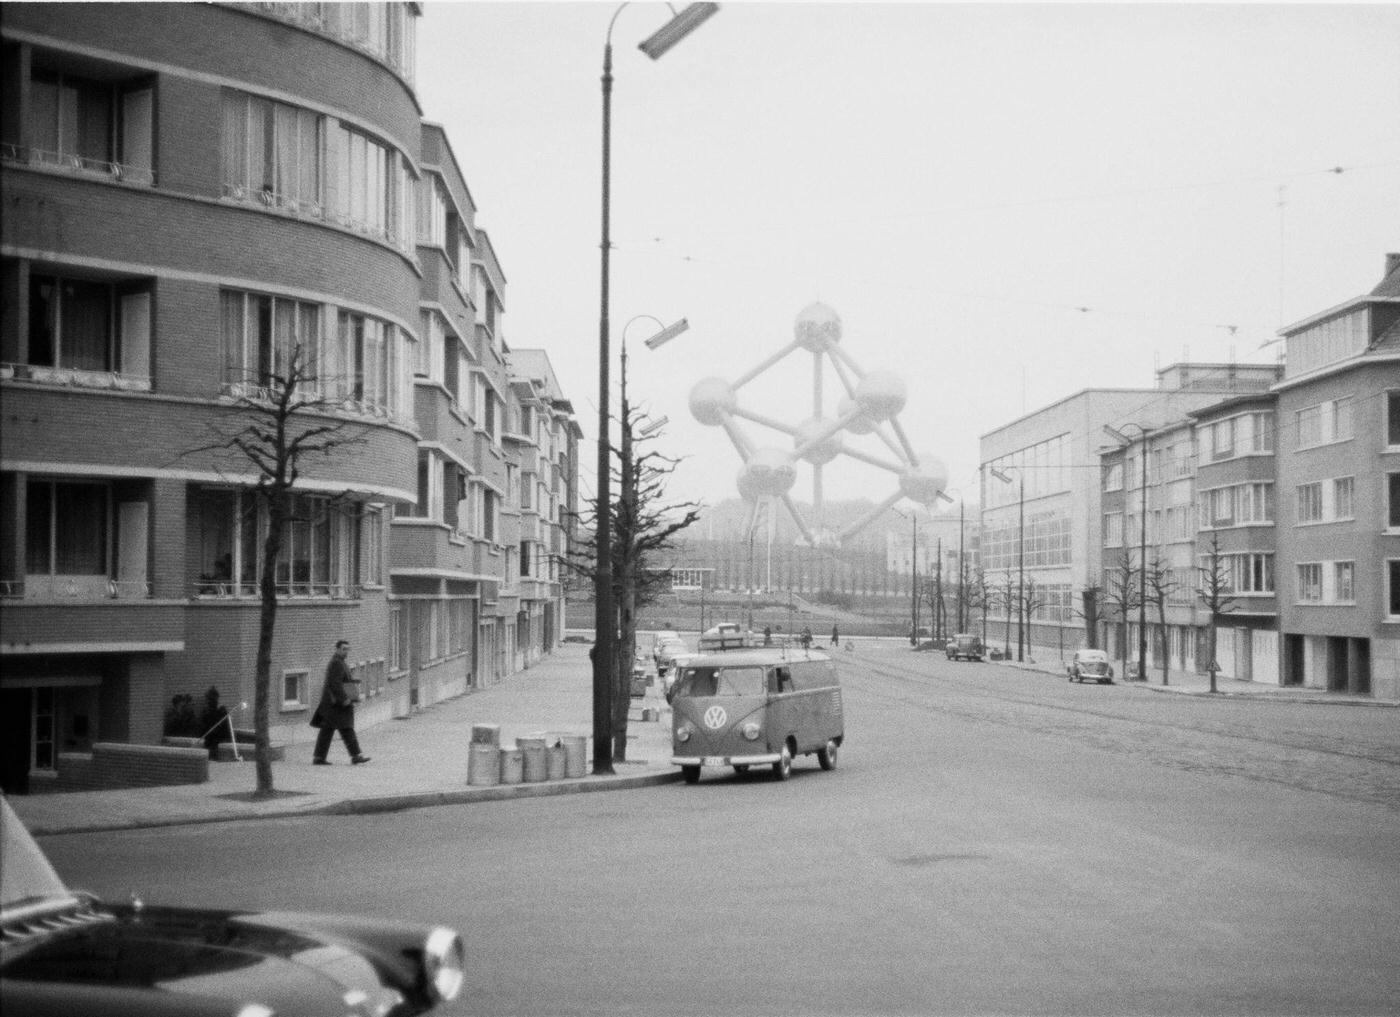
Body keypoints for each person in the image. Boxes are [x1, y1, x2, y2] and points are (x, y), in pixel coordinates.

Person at [311, 640, 368, 764]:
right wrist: (345, 699)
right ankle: (355, 756)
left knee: (329, 730)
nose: (346, 651)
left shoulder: (339, 662)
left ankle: (320, 757)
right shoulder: (336, 663)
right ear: (337, 649)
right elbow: (335, 683)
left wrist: (353, 682)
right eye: (344, 649)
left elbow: (341, 681)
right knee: (345, 728)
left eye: (348, 649)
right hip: (336, 705)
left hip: (333, 705)